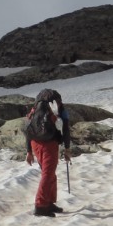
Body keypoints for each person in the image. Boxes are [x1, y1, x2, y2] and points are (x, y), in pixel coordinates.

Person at [25, 88, 71, 217]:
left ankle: (49, 202)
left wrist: (29, 151)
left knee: (49, 173)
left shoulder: (34, 110)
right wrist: (67, 149)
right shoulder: (59, 109)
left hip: (35, 143)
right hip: (50, 144)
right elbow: (66, 128)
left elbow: (28, 129)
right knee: (48, 173)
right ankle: (41, 206)